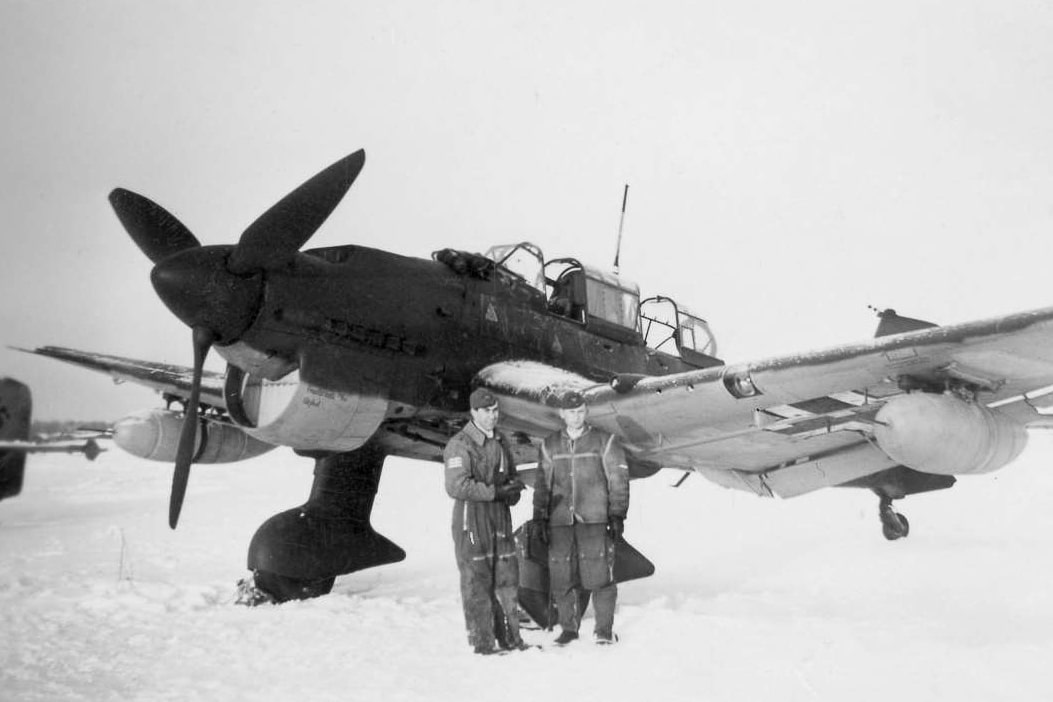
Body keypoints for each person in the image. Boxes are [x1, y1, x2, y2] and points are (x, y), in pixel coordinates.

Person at [532, 390, 629, 645]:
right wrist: (539, 518)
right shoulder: (549, 444)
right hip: (560, 520)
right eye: (571, 412)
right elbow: (542, 484)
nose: (576, 416)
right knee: (562, 576)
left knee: (600, 576)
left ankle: (604, 631)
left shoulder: (604, 441)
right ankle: (569, 629)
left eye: (580, 411)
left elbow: (618, 480)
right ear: (562, 413)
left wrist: (617, 514)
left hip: (594, 519)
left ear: (585, 412)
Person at [444, 387, 528, 655]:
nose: (492, 416)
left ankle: (512, 640)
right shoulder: (460, 444)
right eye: (486, 412)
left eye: (495, 411)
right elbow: (457, 486)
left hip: (499, 517)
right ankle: (483, 644)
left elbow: (510, 474)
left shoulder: (501, 441)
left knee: (507, 579)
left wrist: (512, 491)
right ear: (473, 412)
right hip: (472, 519)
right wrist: (495, 492)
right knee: (476, 581)